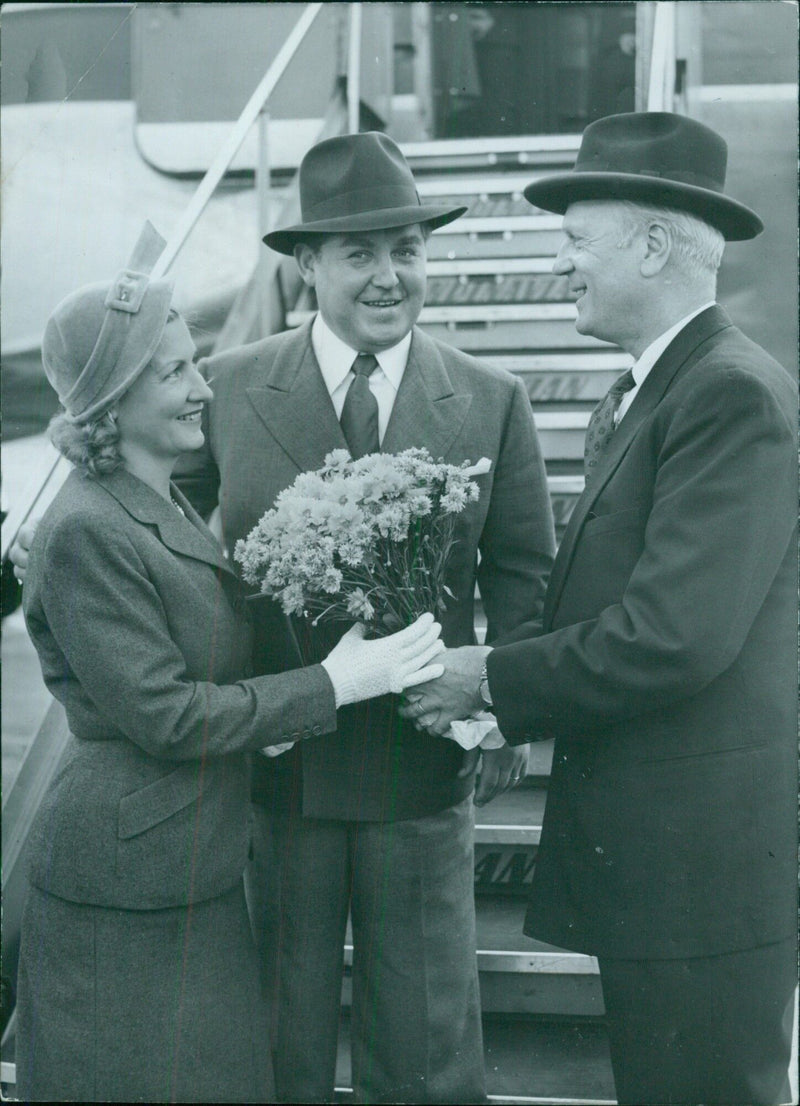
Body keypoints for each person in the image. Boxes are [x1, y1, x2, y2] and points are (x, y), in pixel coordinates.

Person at [402, 112, 798, 1106]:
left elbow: (671, 636)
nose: (560, 262)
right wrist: (494, 699)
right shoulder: (648, 392)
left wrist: (486, 677)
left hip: (700, 876)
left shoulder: (725, 395)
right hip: (667, 870)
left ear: (654, 244)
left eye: (576, 240)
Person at [13, 223, 445, 1103]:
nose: (202, 387)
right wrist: (336, 683)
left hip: (185, 864)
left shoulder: (149, 502)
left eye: (192, 362)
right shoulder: (85, 530)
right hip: (125, 885)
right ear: (112, 400)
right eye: (173, 372)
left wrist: (280, 719)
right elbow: (167, 715)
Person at [173, 131, 556, 1103]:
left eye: (407, 251)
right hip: (276, 774)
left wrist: (494, 706)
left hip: (420, 776)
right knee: (273, 1038)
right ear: (308, 265)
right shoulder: (221, 387)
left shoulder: (489, 398)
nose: (389, 276)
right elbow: (168, 552)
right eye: (360, 253)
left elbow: (521, 574)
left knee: (426, 1049)